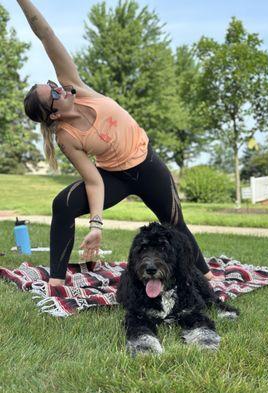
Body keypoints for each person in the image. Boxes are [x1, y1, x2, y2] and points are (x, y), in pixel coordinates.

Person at [17, 0, 218, 286]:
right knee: (62, 204)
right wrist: (96, 225)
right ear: (54, 112)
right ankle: (57, 284)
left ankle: (209, 278)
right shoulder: (66, 137)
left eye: (50, 82)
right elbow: (94, 181)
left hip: (147, 166)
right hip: (114, 177)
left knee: (175, 224)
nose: (56, 86)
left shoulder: (77, 86)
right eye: (51, 92)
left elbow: (46, 34)